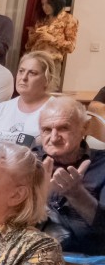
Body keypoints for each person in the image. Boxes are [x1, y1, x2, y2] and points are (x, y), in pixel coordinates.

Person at [35, 96, 105, 254]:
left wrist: (77, 194)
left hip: (88, 260)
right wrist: (37, 197)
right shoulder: (29, 161)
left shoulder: (102, 166)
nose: (54, 138)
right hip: (32, 255)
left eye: (63, 128)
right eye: (46, 130)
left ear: (84, 128)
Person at [0, 51, 57, 147]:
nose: (23, 78)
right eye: (21, 71)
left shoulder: (57, 110)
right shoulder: (2, 108)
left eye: (32, 73)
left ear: (47, 79)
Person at [26, 0, 79, 72]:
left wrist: (52, 39)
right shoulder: (42, 19)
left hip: (52, 62)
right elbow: (29, 46)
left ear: (56, 2)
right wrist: (32, 36)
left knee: (50, 81)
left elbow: (70, 47)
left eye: (48, 4)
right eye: (43, 4)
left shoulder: (68, 19)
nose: (44, 7)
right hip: (35, 59)